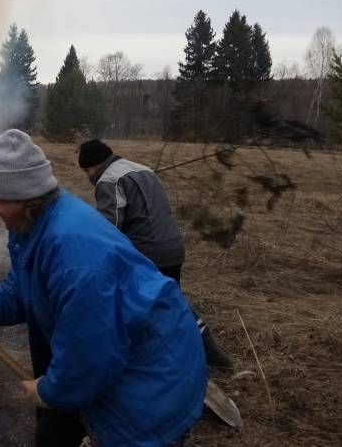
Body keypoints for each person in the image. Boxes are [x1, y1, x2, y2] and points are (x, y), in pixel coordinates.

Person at [0, 129, 206, 447]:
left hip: (149, 384)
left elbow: (89, 355)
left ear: (24, 197)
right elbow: (24, 286)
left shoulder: (74, 256)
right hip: (111, 363)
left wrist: (48, 391)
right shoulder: (32, 225)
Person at [77, 138, 232, 369]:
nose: (88, 176)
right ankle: (197, 350)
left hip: (147, 251)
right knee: (172, 301)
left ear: (95, 165)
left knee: (130, 300)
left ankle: (170, 355)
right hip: (172, 246)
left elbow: (110, 228)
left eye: (87, 170)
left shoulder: (109, 179)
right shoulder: (143, 169)